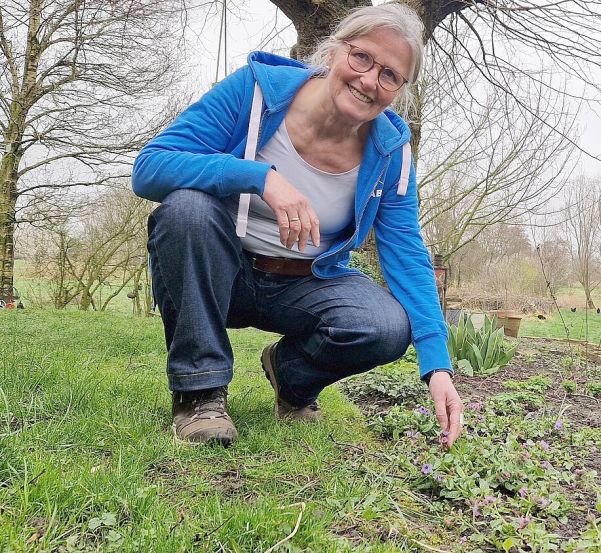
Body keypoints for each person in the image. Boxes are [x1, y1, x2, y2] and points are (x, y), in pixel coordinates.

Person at [132, 4, 462, 448]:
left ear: (399, 89)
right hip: (220, 272)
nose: (369, 80)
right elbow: (150, 168)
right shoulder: (254, 93)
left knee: (385, 326)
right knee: (186, 209)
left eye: (390, 75)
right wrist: (259, 176)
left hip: (304, 285)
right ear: (333, 51)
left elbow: (406, 252)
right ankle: (200, 394)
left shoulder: (392, 152)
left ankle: (292, 379)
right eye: (361, 57)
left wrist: (437, 366)